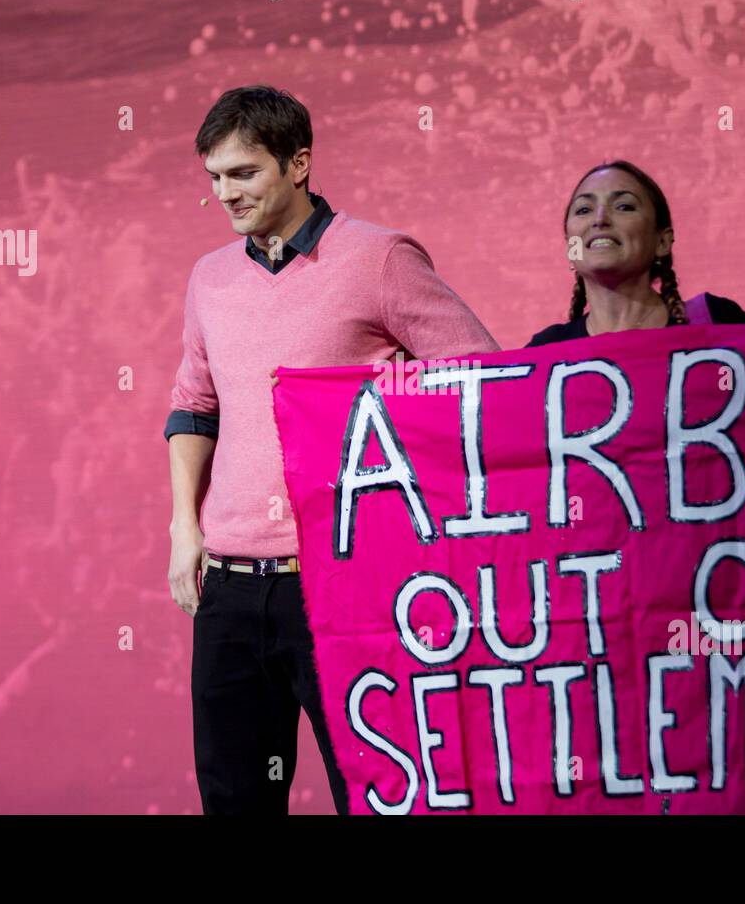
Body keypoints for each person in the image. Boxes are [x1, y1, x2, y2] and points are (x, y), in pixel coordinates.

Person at [165, 85, 498, 815]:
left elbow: (480, 379)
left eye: (244, 173)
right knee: (236, 801)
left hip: (343, 581)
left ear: (299, 163)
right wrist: (184, 528)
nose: (227, 193)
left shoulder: (378, 258)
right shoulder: (209, 279)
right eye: (215, 178)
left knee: (379, 798)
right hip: (228, 587)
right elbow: (194, 406)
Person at [527, 160, 745, 346]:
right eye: (584, 209)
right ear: (571, 247)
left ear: (662, 241)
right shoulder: (547, 350)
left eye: (624, 207)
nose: (599, 220)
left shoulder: (719, 322)